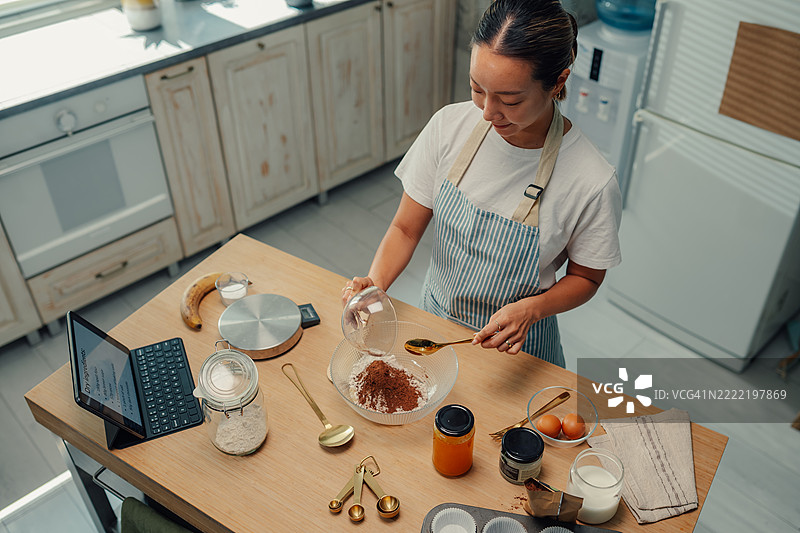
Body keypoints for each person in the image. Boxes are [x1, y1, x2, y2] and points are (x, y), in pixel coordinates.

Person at [341, 0, 622, 367]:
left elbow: (586, 277)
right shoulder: (449, 127)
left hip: (517, 354)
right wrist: (373, 287)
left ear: (558, 82)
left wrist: (532, 309)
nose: (488, 112)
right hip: (434, 329)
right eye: (477, 89)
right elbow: (406, 228)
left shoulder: (591, 180)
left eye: (509, 99)